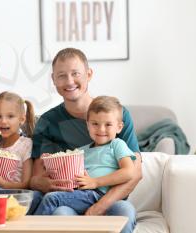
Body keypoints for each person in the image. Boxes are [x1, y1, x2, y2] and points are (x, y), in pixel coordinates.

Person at [30, 48, 142, 233]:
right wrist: (47, 184)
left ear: (89, 74)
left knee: (125, 214)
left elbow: (135, 173)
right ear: (53, 80)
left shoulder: (116, 115)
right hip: (69, 200)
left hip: (112, 199)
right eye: (62, 75)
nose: (69, 81)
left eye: (76, 74)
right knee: (60, 215)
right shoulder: (47, 122)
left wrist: (99, 207)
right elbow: (35, 178)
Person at [34, 96, 136, 218]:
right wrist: (50, 159)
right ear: (88, 125)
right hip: (81, 195)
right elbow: (67, 169)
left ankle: (29, 229)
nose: (101, 129)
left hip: (99, 194)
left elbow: (129, 172)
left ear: (119, 127)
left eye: (108, 124)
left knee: (52, 199)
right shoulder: (81, 151)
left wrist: (95, 182)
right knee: (54, 203)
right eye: (95, 124)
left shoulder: (117, 144)